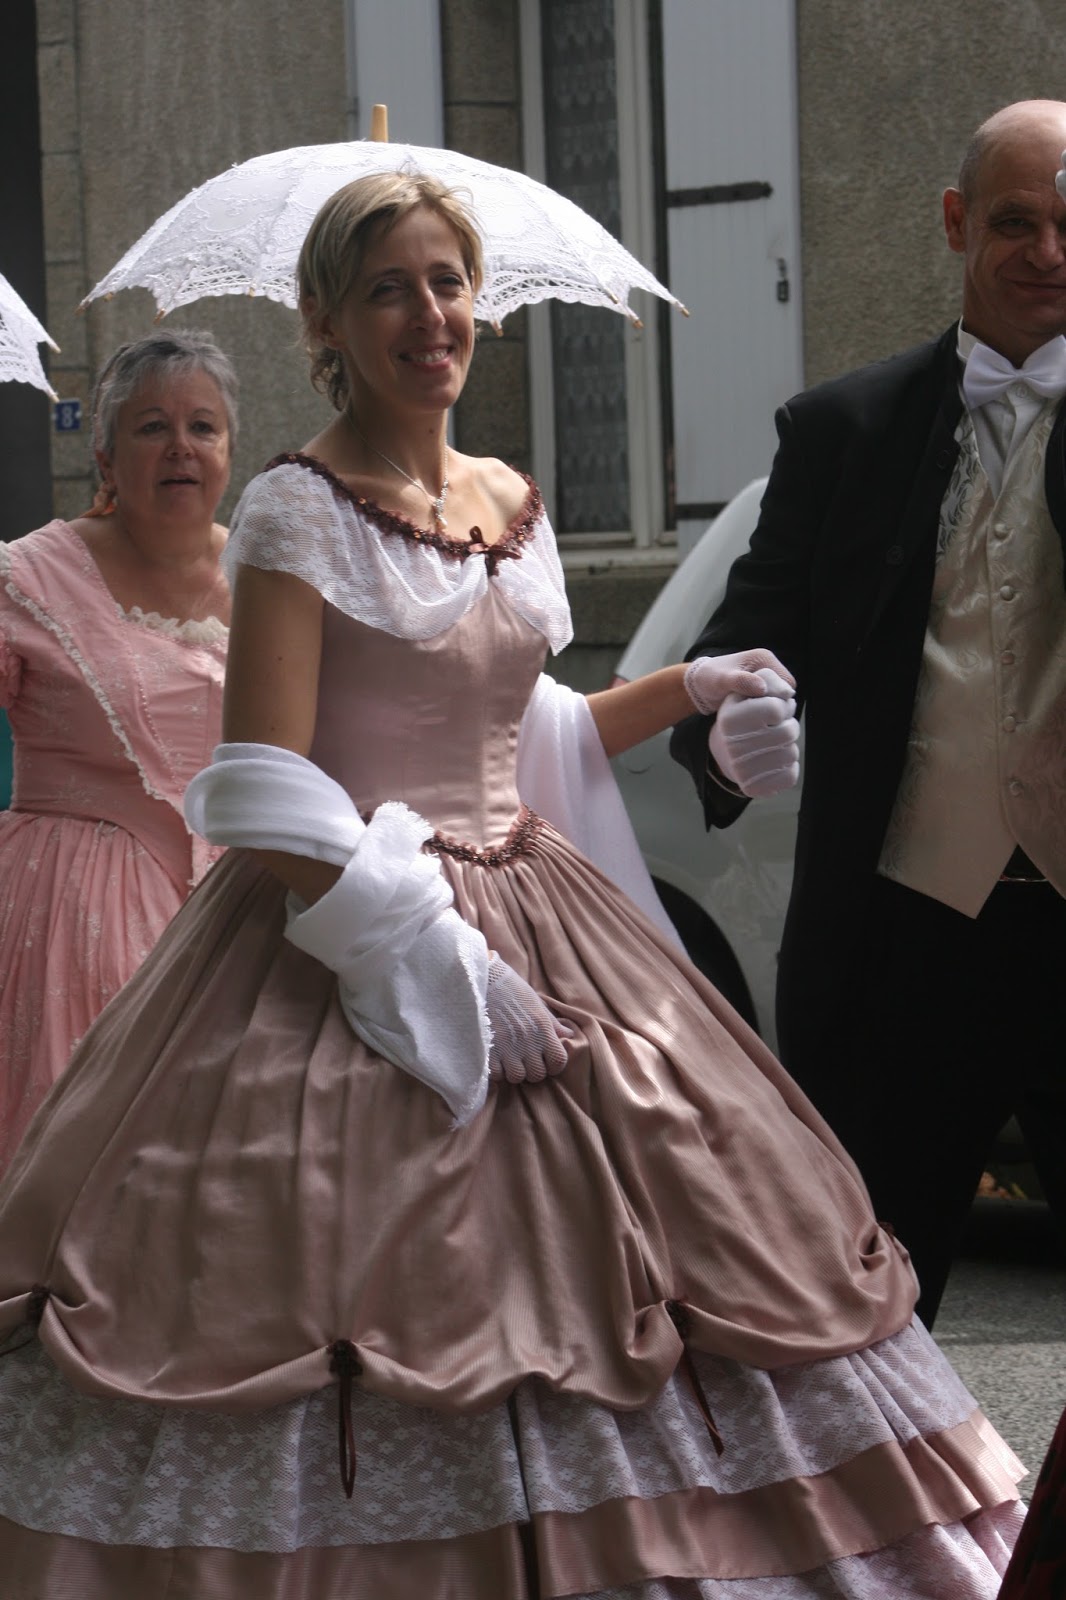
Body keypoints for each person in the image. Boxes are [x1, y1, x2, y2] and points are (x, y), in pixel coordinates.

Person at [0, 172, 1025, 1598]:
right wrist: (425, 953)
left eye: (447, 283)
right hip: (348, 924)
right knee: (342, 1272)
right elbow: (262, 783)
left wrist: (691, 686)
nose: (428, 315)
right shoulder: (295, 510)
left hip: (541, 905)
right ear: (325, 324)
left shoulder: (508, 499)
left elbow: (521, 727)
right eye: (387, 289)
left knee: (680, 1236)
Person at [671, 98, 1066, 1331]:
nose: (1047, 252)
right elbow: (731, 654)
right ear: (955, 222)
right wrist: (730, 731)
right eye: (1015, 222)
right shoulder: (842, 430)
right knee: (871, 1321)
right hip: (904, 944)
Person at [0, 330, 234, 1167]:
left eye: (202, 426)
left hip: (235, 918)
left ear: (229, 452)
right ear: (104, 455)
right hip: (71, 921)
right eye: (151, 427)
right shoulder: (26, 578)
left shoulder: (270, 575)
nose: (181, 447)